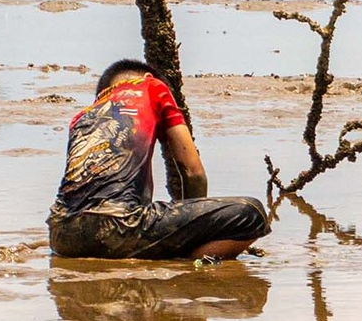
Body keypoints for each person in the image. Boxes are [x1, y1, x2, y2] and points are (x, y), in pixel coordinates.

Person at [47, 59, 270, 261]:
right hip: (118, 226)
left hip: (61, 235)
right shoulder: (152, 87)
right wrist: (197, 231)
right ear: (146, 77)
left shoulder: (81, 117)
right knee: (252, 213)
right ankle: (185, 261)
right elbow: (193, 172)